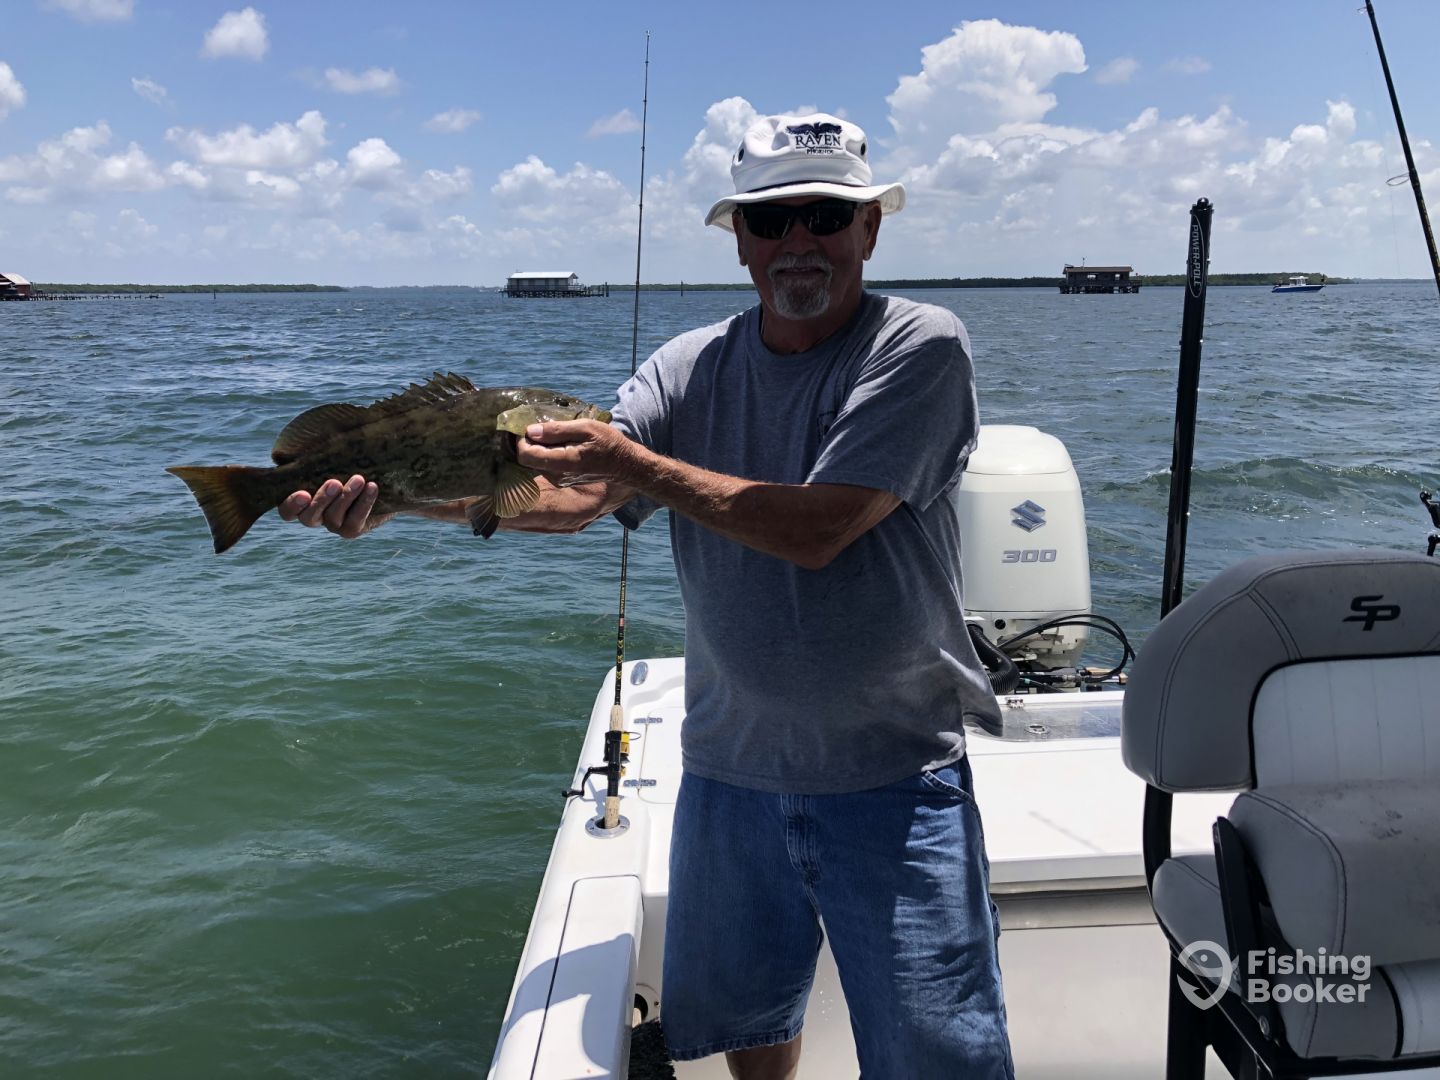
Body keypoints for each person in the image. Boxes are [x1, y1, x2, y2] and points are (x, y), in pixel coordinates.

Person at [283, 112, 1013, 1079]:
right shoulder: (686, 365)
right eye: (772, 220)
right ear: (740, 240)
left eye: (826, 216)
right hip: (729, 770)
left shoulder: (920, 345)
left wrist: (636, 463)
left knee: (938, 1053)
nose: (798, 240)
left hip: (894, 773)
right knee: (752, 1022)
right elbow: (576, 498)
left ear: (869, 228)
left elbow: (819, 528)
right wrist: (396, 506)